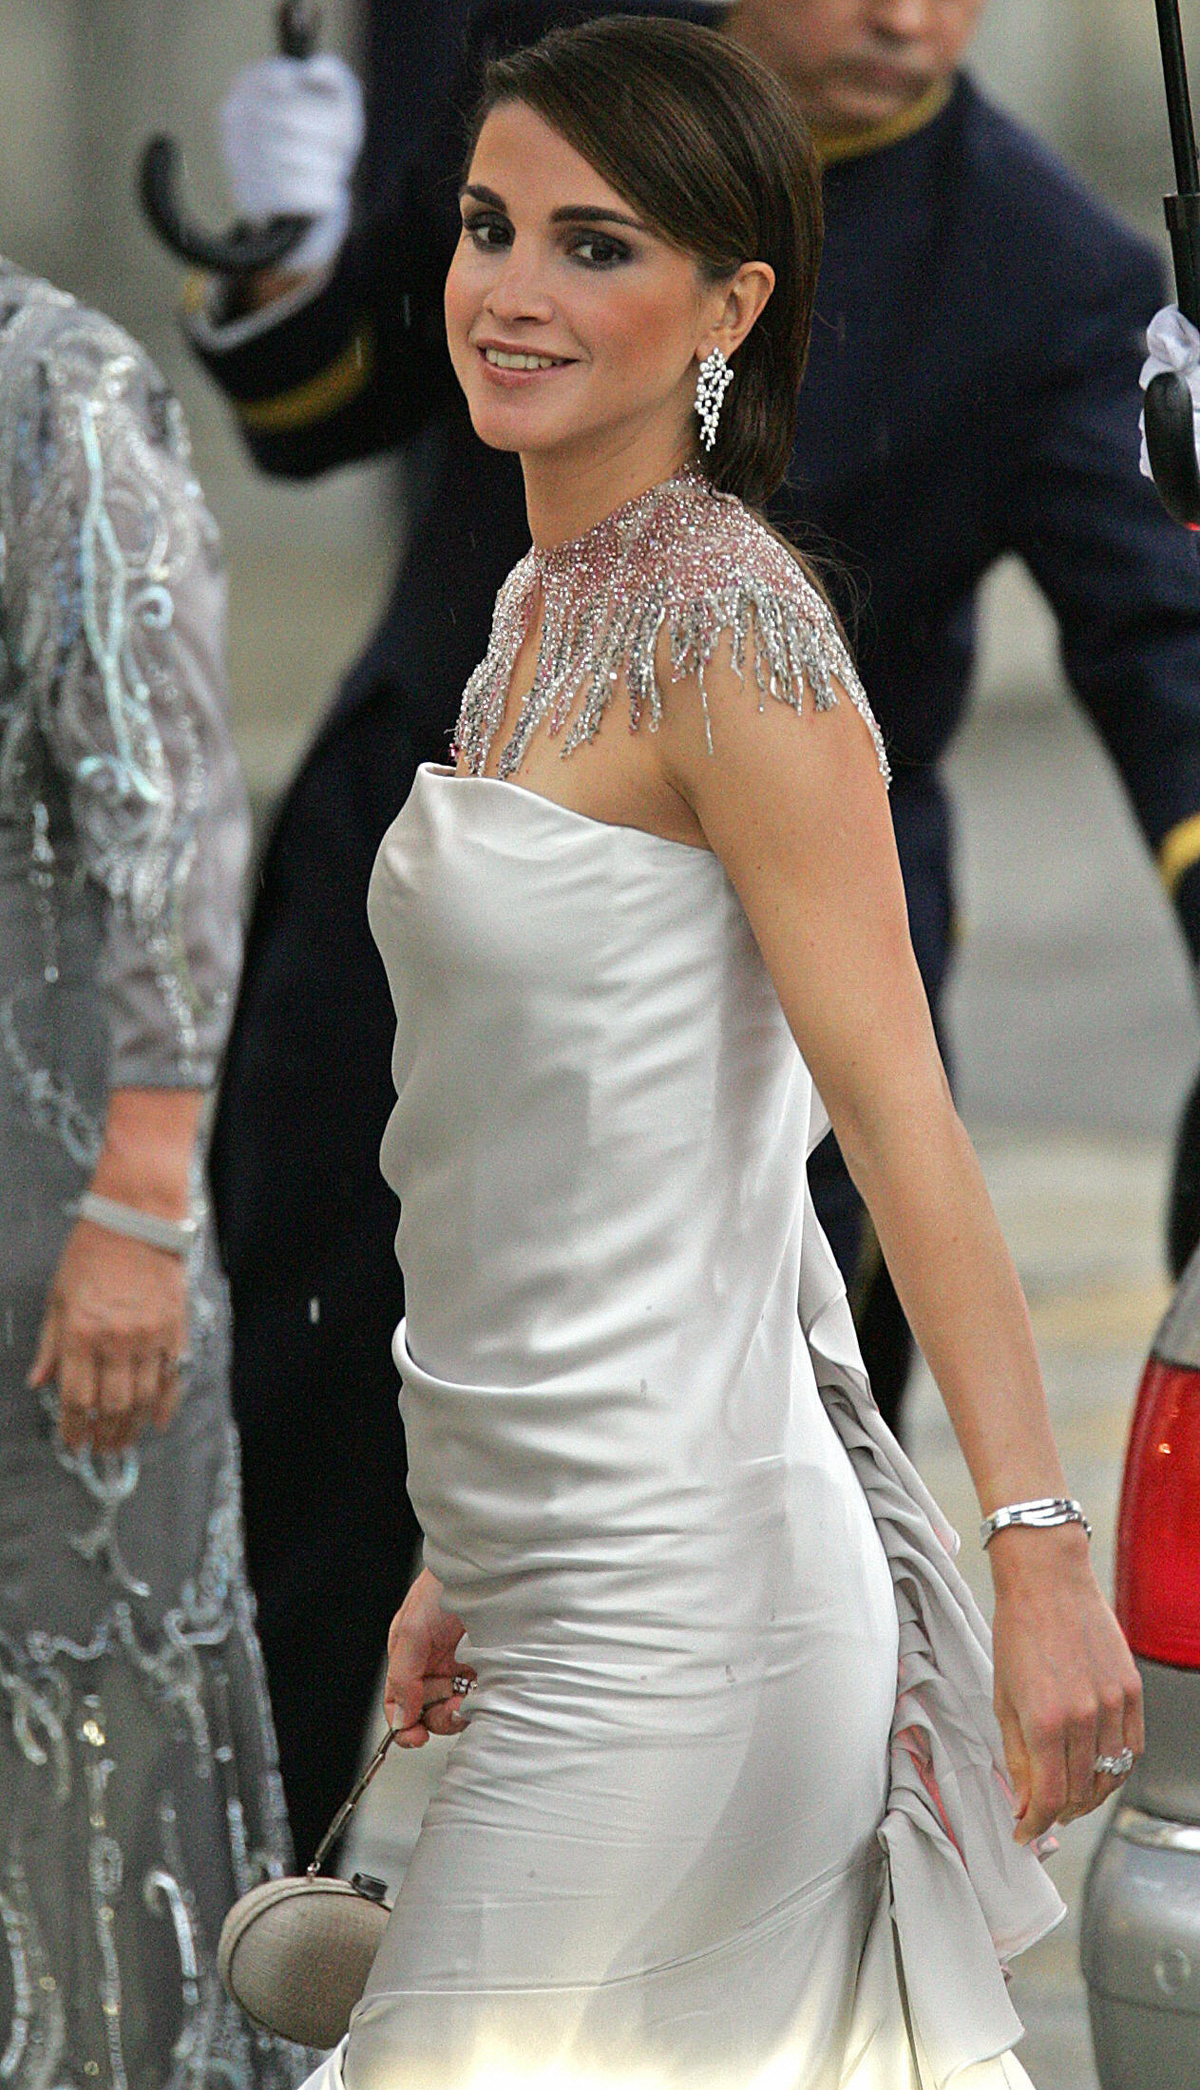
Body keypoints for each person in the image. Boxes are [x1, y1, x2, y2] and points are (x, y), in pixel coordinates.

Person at [184, 0, 1200, 1860]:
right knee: (293, 1536)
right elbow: (324, 391)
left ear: (734, 309)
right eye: (502, 234)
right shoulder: (563, 99)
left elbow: (1164, 673)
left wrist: (1039, 1551)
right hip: (387, 994)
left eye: (600, 252)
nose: (909, 17)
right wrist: (288, 252)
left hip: (751, 1098)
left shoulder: (1041, 284)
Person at [0, 263, 297, 2088]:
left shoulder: (57, 401)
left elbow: (168, 817)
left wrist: (136, 1210)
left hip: (53, 1228)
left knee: (83, 1781)